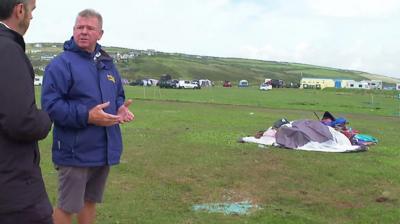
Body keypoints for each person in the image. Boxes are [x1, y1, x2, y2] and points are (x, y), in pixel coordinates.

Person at [41, 9, 134, 224]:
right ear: (73, 31)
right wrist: (87, 116)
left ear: (100, 34)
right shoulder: (60, 64)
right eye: (79, 28)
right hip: (75, 151)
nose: (83, 32)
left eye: (89, 28)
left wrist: (120, 108)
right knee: (67, 206)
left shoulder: (107, 64)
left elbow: (118, 94)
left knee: (90, 201)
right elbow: (51, 106)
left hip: (104, 148)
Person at [0, 0, 54, 223]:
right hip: (13, 188)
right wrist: (45, 118)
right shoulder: (8, 50)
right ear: (19, 10)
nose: (31, 17)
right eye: (32, 11)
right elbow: (22, 121)